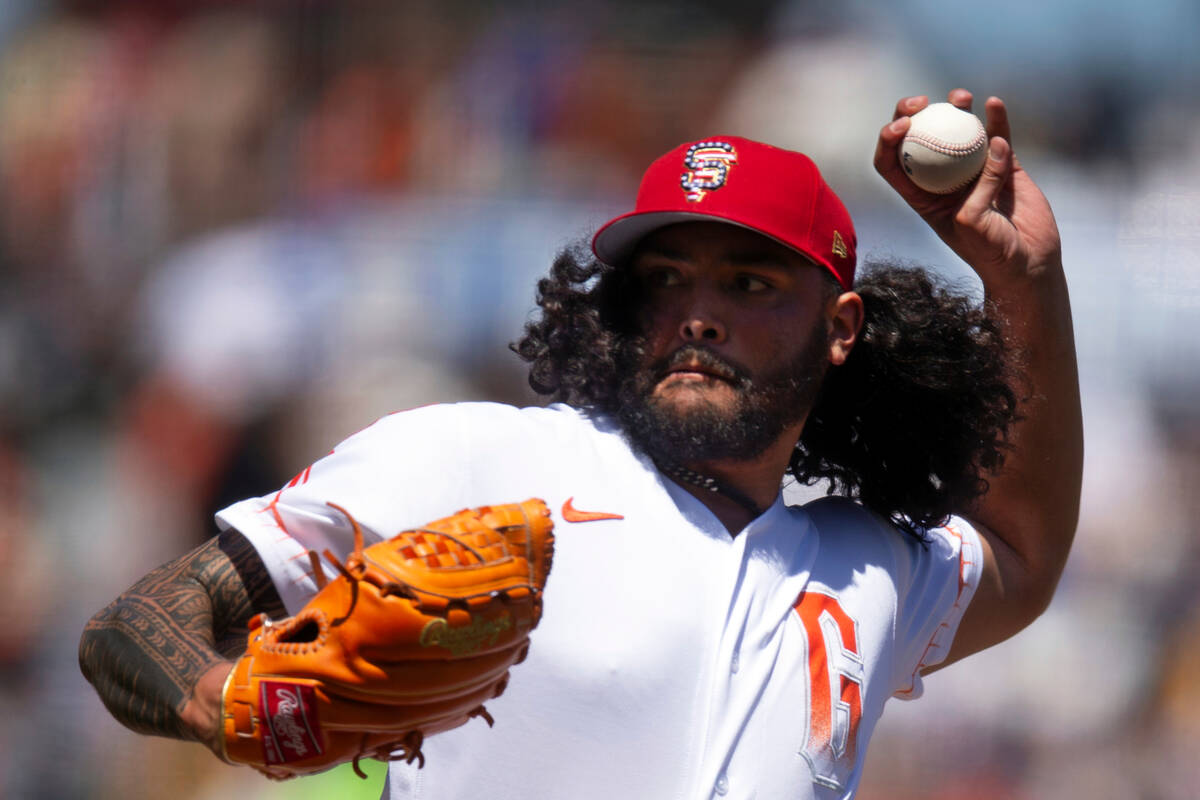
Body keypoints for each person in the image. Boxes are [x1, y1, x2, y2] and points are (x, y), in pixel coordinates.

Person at [80, 90, 1082, 799]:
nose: (696, 313)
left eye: (748, 283)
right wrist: (225, 701)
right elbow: (132, 625)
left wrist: (1027, 281)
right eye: (665, 278)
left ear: (841, 327)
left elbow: (1024, 556)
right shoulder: (480, 460)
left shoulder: (864, 563)